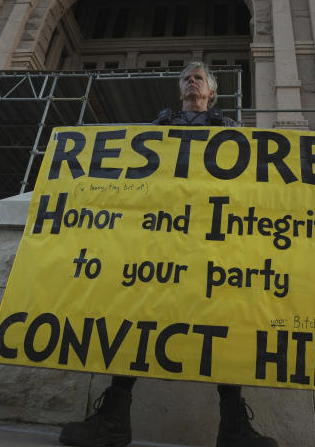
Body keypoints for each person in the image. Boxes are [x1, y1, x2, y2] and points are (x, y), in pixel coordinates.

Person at [59, 62, 277, 447]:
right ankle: (113, 420)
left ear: (212, 93)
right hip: (159, 238)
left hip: (210, 238)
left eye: (199, 79)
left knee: (221, 316)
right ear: (181, 92)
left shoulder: (230, 131)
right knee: (137, 311)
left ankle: (234, 426)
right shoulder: (156, 128)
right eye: (186, 79)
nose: (192, 82)